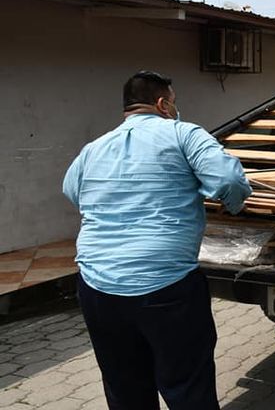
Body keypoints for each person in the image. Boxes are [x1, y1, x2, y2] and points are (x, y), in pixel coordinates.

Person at [63, 70, 251, 410]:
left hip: (97, 286)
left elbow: (72, 191)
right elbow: (229, 181)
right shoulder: (183, 134)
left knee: (125, 389)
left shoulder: (93, 149)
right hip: (166, 287)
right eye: (174, 103)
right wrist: (233, 206)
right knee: (187, 388)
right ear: (163, 104)